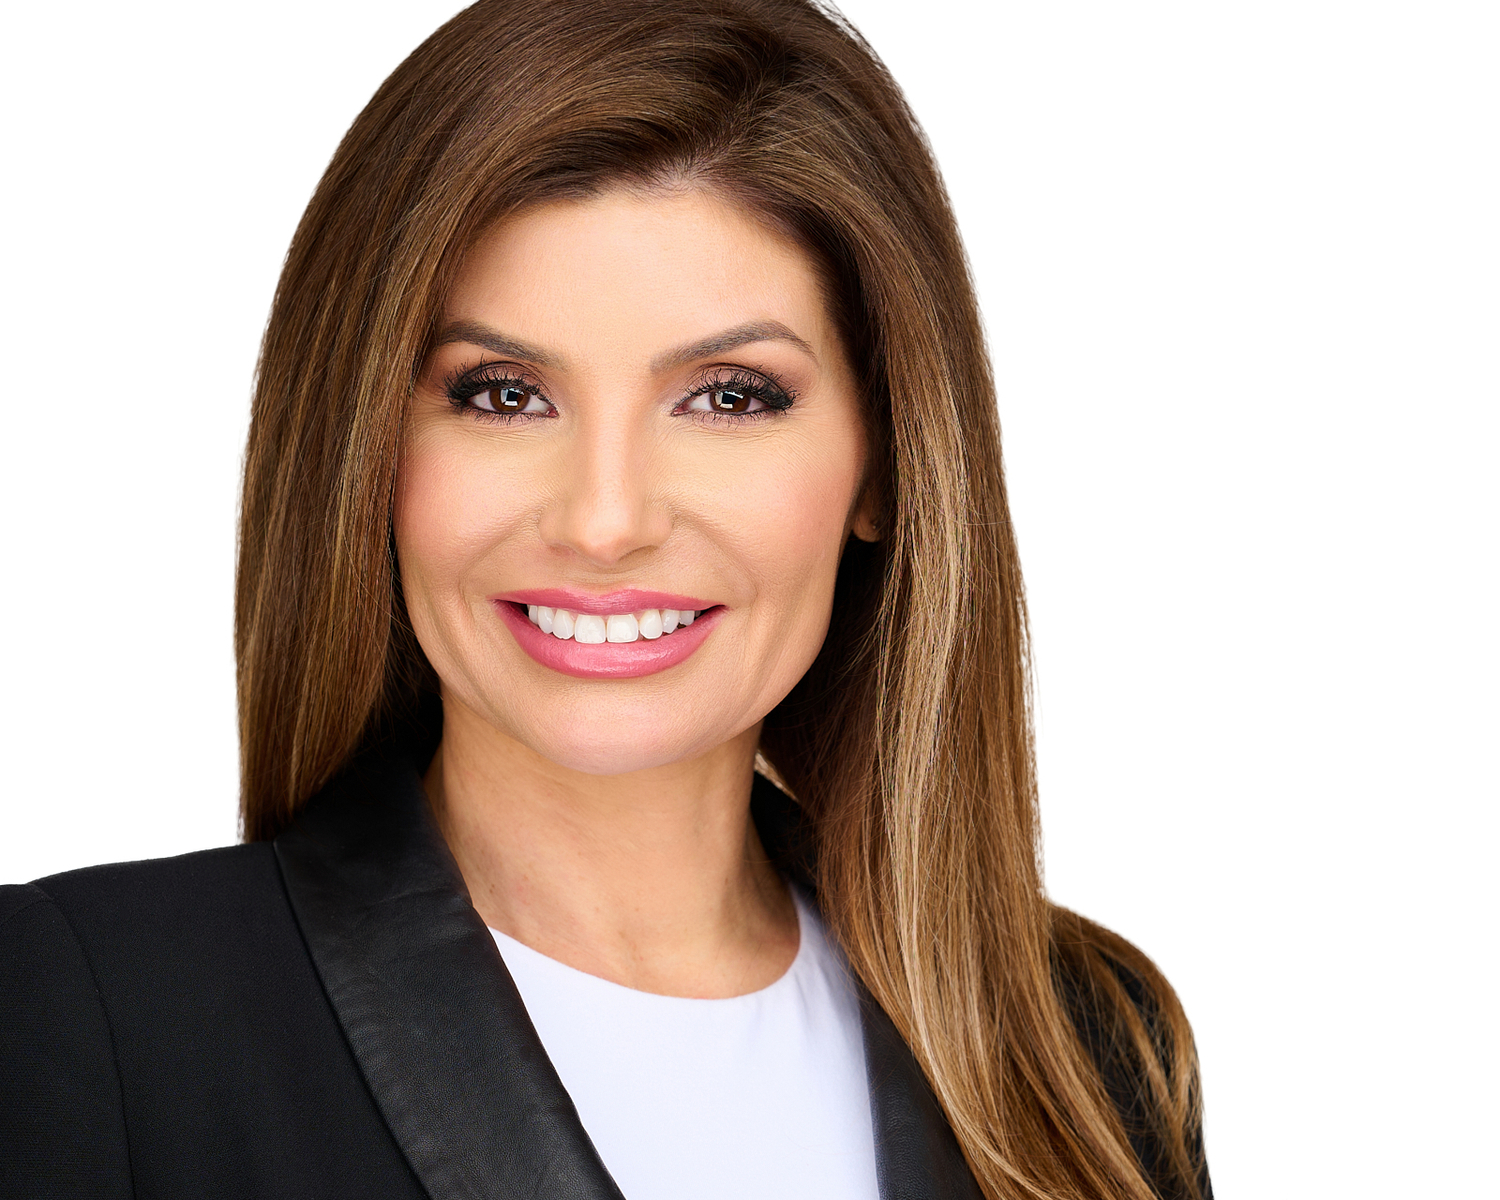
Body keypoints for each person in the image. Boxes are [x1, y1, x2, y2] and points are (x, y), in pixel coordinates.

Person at [0, 1, 1211, 1197]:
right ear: (363, 448)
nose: (604, 520)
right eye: (502, 394)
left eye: (729, 396)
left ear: (885, 463)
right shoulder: (90, 1017)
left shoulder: (1089, 1057)